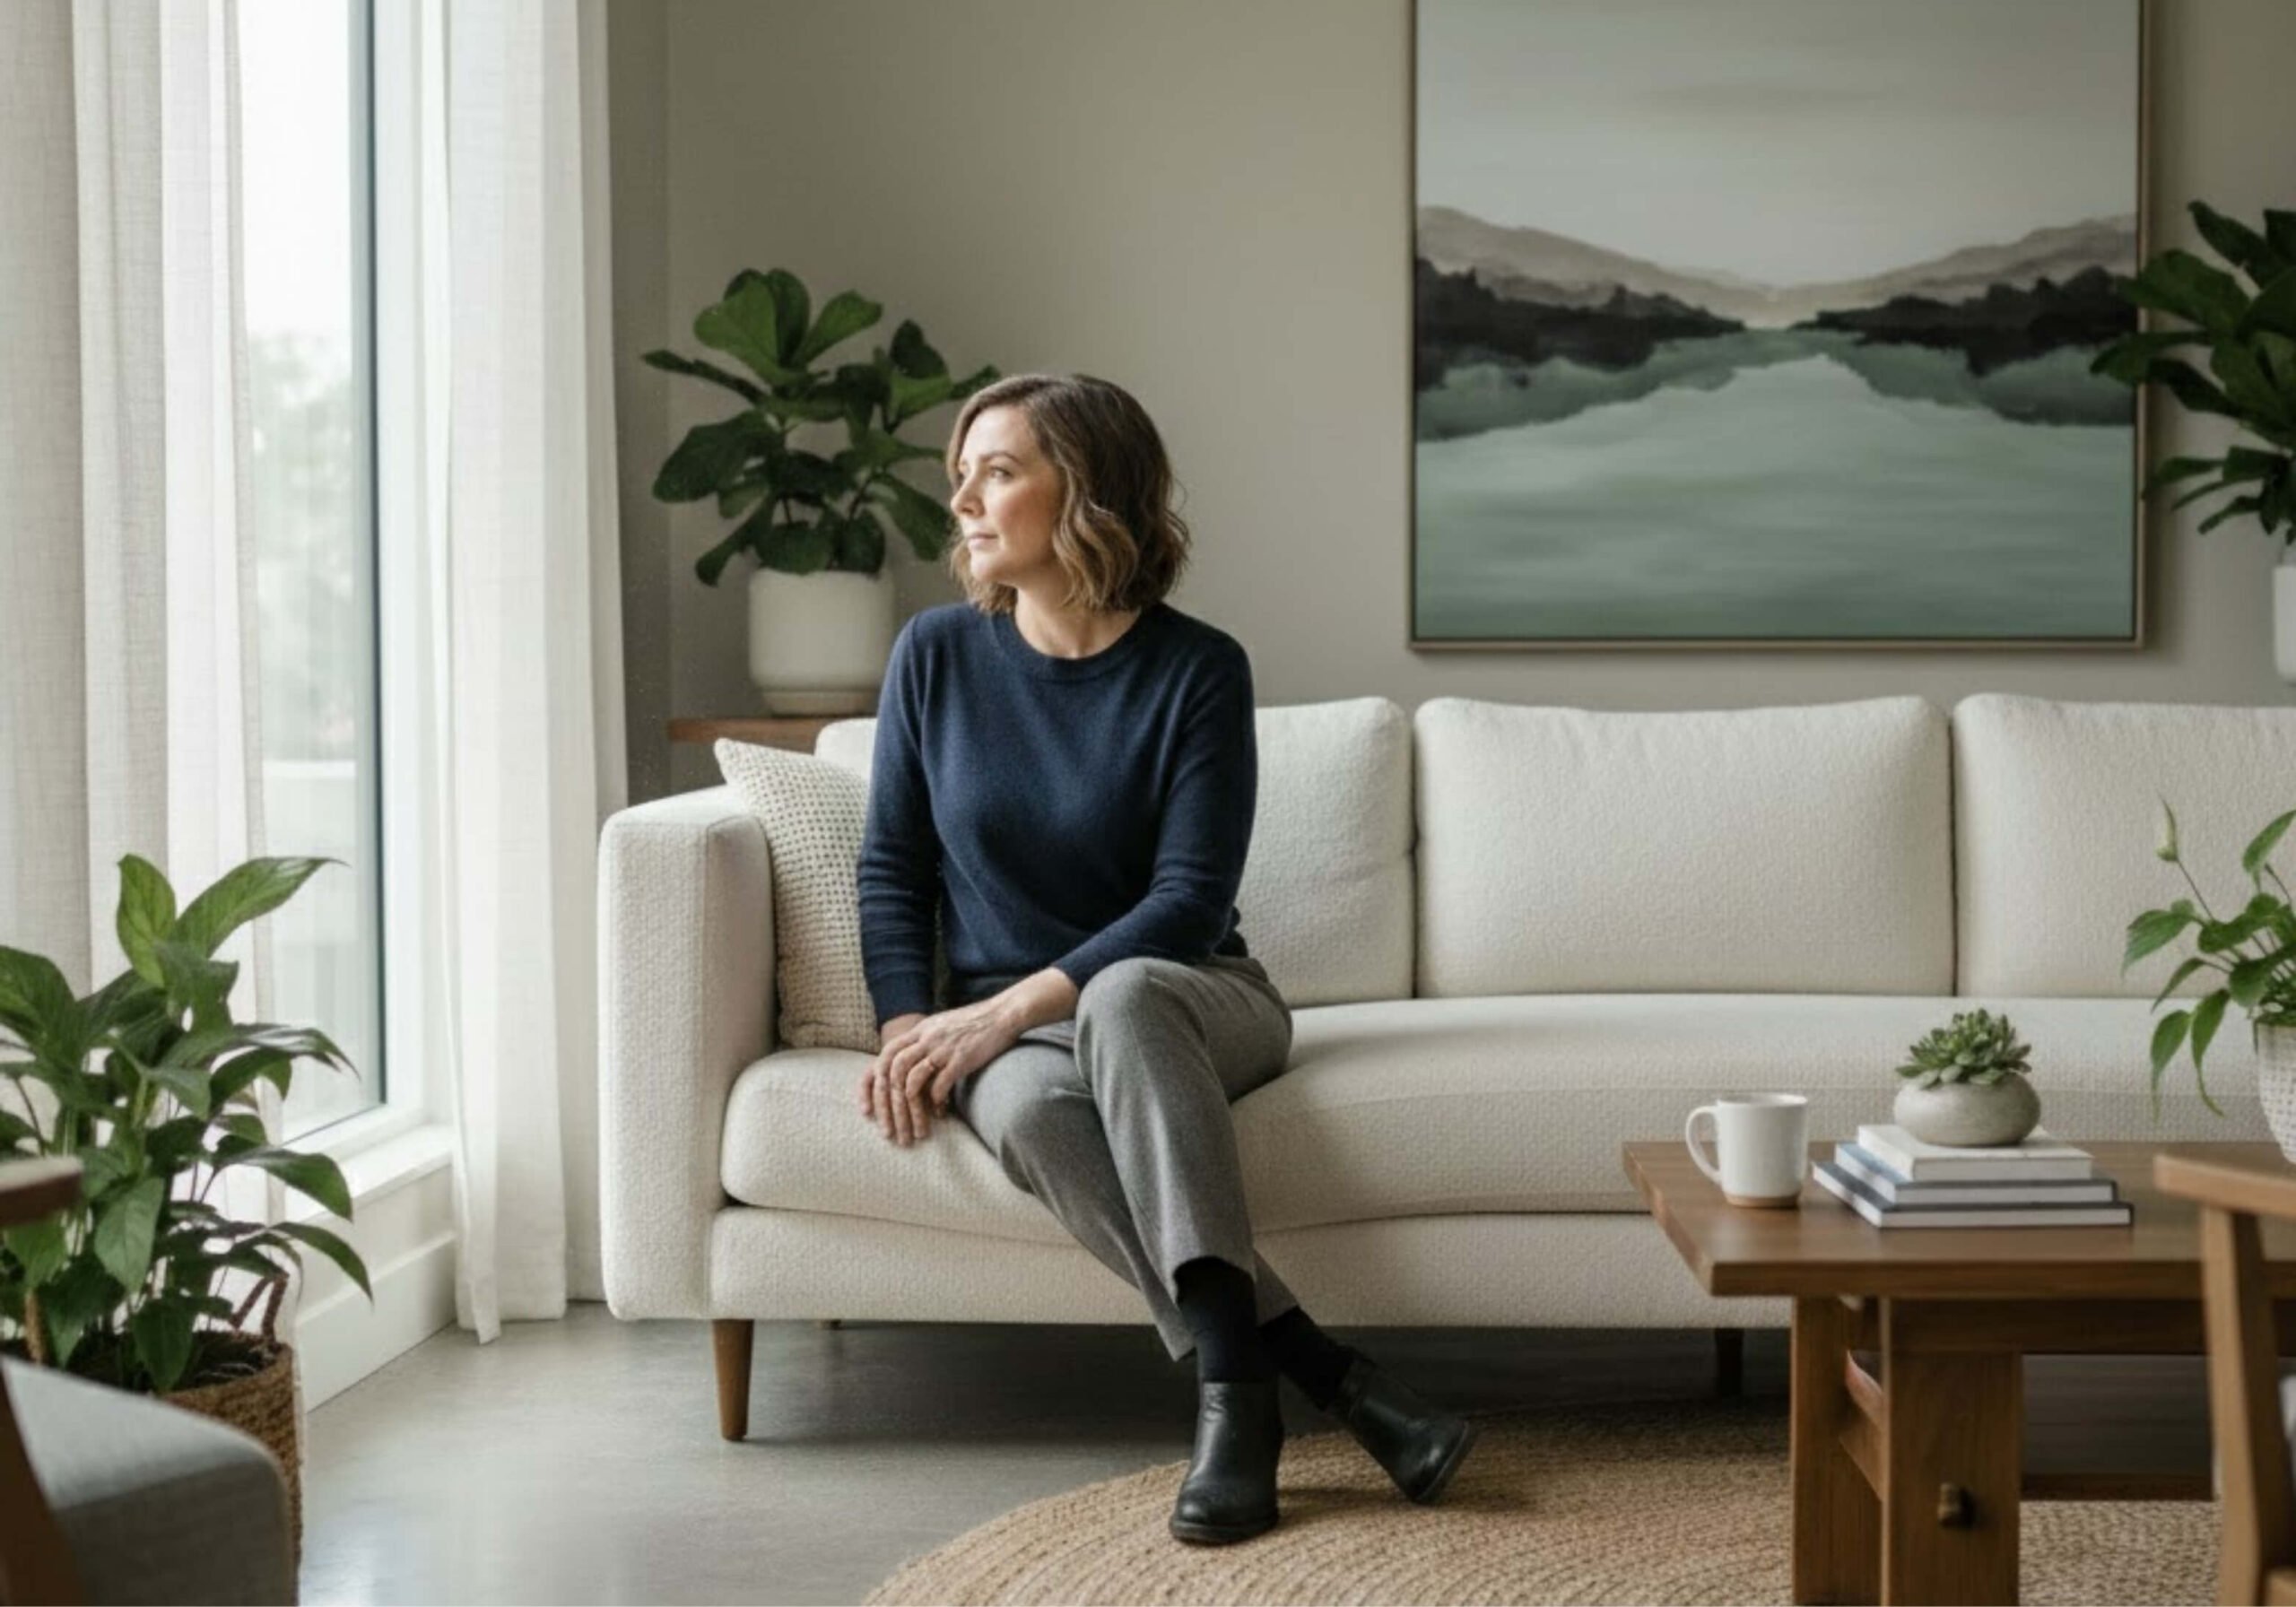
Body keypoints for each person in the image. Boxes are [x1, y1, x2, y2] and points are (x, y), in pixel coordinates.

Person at [855, 372, 1479, 1545]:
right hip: (1015, 1033)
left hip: (1193, 998)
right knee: (1038, 1115)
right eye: (963, 477)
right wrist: (911, 1026)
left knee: (1128, 996)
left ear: (1084, 490)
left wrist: (1001, 1012)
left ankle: (1246, 1404)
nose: (967, 507)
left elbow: (1189, 904)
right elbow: (893, 869)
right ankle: (1293, 1385)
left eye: (1000, 471)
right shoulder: (935, 657)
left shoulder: (1197, 668)